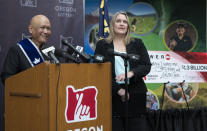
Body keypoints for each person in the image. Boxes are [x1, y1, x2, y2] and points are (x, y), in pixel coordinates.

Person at [94, 11, 151, 131]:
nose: (122, 24)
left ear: (128, 26)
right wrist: (118, 90)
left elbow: (146, 66)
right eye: (118, 21)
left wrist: (131, 73)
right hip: (112, 95)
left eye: (125, 22)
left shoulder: (137, 44)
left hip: (136, 95)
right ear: (112, 25)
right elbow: (98, 72)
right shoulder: (102, 45)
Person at [1, 14, 52, 85]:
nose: (46, 31)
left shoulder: (50, 51)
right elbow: (6, 79)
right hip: (27, 95)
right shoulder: (17, 50)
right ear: (31, 29)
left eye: (48, 28)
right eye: (42, 27)